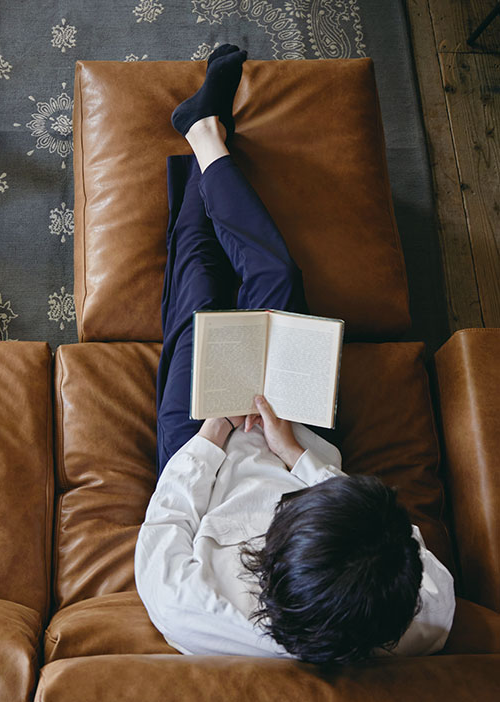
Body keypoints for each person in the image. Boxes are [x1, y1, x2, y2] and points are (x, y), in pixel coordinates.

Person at [134, 45, 456, 664]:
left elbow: (169, 519)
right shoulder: (424, 608)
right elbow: (398, 540)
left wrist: (214, 432)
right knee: (279, 278)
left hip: (203, 450)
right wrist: (297, 457)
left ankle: (205, 136)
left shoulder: (191, 609)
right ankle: (205, 137)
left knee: (200, 290)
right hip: (297, 435)